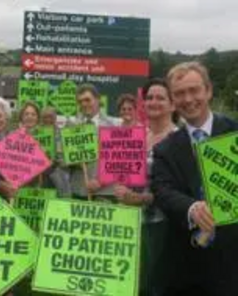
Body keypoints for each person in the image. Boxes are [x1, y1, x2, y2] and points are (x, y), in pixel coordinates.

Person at [151, 62, 238, 296]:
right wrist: (192, 208)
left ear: (208, 90)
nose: (188, 99)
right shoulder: (165, 149)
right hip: (185, 268)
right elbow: (162, 190)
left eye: (194, 90)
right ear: (173, 100)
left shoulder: (235, 133)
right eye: (179, 93)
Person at [113, 78, 178, 296]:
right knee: (131, 283)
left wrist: (141, 198)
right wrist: (121, 187)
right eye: (149, 97)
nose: (154, 102)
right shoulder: (138, 136)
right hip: (131, 222)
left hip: (161, 226)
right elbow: (125, 173)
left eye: (160, 97)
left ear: (172, 104)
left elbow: (178, 191)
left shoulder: (179, 140)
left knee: (154, 285)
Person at [69, 84, 119, 200]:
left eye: (87, 100)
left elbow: (118, 162)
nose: (83, 104)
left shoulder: (113, 126)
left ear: (98, 99)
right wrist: (73, 161)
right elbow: (61, 158)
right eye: (80, 101)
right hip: (79, 191)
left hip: (106, 192)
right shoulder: (71, 126)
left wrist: (100, 181)